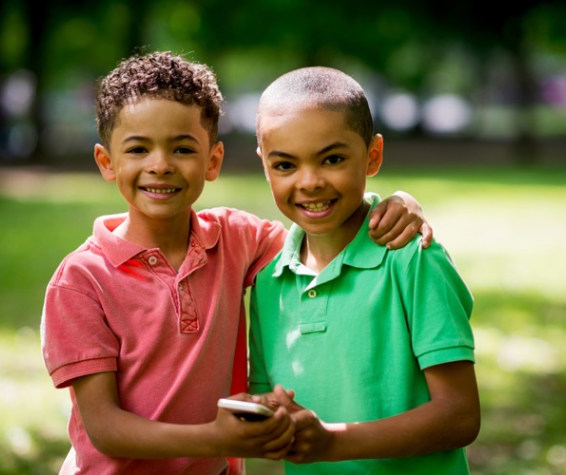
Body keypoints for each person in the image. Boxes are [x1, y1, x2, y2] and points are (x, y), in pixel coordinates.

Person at [40, 51, 432, 475]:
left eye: (182, 148)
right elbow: (105, 428)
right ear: (107, 162)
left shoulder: (235, 239)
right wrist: (216, 437)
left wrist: (397, 202)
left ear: (213, 161)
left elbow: (327, 228)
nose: (160, 165)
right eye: (138, 149)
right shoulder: (80, 281)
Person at [249, 66, 480, 474]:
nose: (310, 182)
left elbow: (460, 415)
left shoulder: (412, 256)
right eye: (285, 165)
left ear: (372, 155)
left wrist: (332, 441)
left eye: (332, 159)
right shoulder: (269, 281)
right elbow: (270, 401)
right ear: (264, 165)